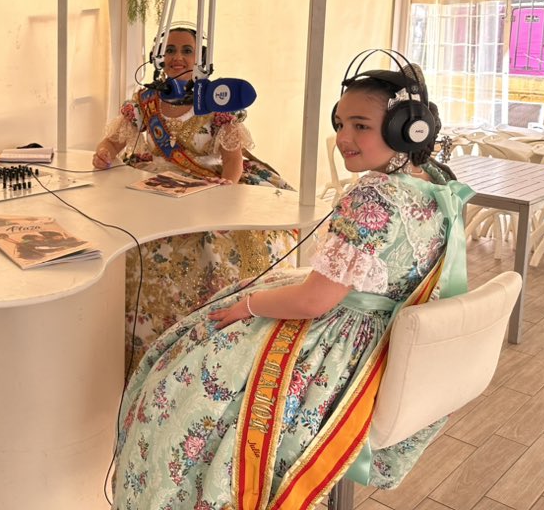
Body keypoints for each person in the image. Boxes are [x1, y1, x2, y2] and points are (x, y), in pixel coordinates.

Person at [110, 58, 472, 509]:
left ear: (407, 129)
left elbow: (314, 300)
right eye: (341, 123)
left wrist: (249, 306)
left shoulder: (372, 195)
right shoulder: (437, 183)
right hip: (390, 332)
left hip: (345, 351)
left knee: (192, 368)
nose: (343, 138)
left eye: (361, 125)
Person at [93, 26, 297, 369]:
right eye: (170, 50)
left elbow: (233, 160)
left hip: (207, 181)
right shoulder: (145, 101)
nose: (177, 57)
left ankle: (205, 349)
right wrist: (103, 153)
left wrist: (226, 188)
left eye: (187, 51)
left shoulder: (216, 101)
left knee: (218, 247)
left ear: (199, 59)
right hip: (155, 185)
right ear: (159, 57)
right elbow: (114, 142)